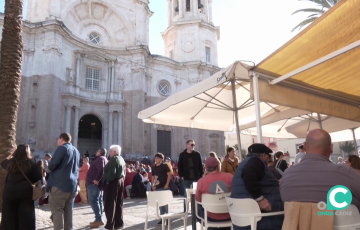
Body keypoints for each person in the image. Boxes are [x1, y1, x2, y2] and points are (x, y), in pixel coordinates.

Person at [280, 129, 360, 211]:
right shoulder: (348, 174)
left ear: (304, 146)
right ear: (331, 148)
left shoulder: (287, 176)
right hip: (345, 222)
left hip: (300, 224)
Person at [231, 143, 284, 230]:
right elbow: (248, 173)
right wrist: (260, 199)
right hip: (261, 218)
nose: (269, 160)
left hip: (242, 218)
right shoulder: (255, 161)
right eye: (269, 157)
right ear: (264, 155)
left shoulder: (244, 163)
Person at [0, 145, 42, 230]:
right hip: (25, 194)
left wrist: (12, 153)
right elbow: (37, 178)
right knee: (25, 219)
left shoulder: (11, 162)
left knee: (9, 218)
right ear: (27, 152)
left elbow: (3, 163)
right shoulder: (31, 163)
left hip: (9, 193)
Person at [47, 133, 80, 230]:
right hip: (72, 186)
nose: (57, 141)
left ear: (61, 139)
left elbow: (53, 163)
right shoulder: (76, 150)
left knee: (57, 211)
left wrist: (47, 169)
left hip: (59, 184)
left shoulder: (62, 148)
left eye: (58, 139)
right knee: (68, 210)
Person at [195, 157, 233, 230]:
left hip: (210, 217)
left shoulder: (201, 181)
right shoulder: (230, 177)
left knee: (197, 207)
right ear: (219, 166)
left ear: (205, 169)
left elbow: (198, 200)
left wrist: (203, 178)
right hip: (230, 215)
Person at [103, 145, 126, 230]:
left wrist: (108, 181)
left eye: (111, 151)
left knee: (110, 203)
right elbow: (124, 172)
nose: (110, 153)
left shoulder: (113, 159)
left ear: (114, 152)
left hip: (113, 182)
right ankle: (119, 223)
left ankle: (109, 225)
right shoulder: (122, 159)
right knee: (119, 202)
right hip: (121, 181)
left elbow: (112, 172)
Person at [178, 140, 204, 212]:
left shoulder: (197, 154)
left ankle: (195, 210)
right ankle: (185, 210)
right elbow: (179, 166)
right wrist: (181, 176)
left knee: (196, 194)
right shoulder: (182, 155)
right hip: (186, 178)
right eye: (192, 145)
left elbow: (200, 166)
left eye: (194, 145)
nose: (193, 146)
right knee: (186, 195)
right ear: (187, 145)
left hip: (196, 178)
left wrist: (201, 176)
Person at [86, 148, 108, 228]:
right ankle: (99, 219)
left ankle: (98, 219)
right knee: (99, 201)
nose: (96, 152)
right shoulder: (104, 159)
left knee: (93, 201)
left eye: (97, 151)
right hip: (98, 185)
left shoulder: (100, 159)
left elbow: (101, 169)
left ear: (100, 153)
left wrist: (96, 179)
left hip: (94, 184)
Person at [151, 153, 171, 226]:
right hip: (157, 187)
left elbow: (169, 175)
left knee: (165, 203)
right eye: (155, 158)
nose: (156, 159)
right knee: (160, 204)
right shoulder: (154, 167)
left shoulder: (164, 166)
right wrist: (152, 184)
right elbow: (153, 176)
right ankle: (162, 218)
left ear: (161, 159)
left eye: (158, 158)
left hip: (164, 186)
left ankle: (168, 218)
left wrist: (167, 184)